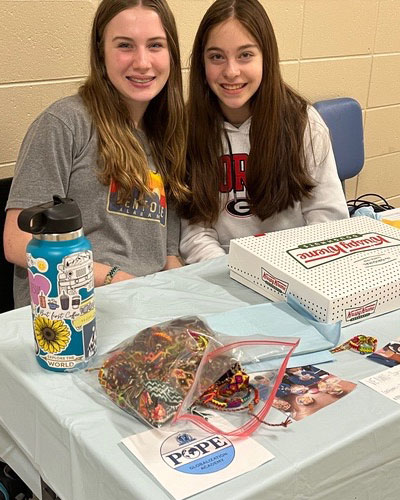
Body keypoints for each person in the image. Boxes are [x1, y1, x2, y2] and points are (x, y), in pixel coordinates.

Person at [4, 0, 189, 308]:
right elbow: (16, 242)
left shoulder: (167, 136)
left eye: (155, 45)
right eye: (125, 46)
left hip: (144, 305)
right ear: (101, 53)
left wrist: (182, 300)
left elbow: (168, 255)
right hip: (71, 310)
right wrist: (117, 279)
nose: (143, 62)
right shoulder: (65, 123)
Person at [178, 0, 349, 264]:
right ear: (202, 63)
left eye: (245, 55)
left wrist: (289, 272)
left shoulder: (303, 124)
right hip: (223, 274)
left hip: (296, 269)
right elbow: (195, 232)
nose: (231, 71)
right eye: (216, 57)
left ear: (266, 57)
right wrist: (231, 271)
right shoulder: (188, 130)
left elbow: (328, 219)